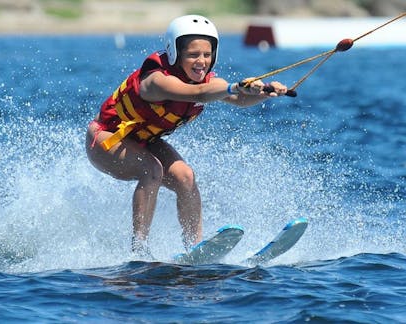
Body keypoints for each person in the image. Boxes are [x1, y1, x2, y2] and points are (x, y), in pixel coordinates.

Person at [85, 14, 288, 257]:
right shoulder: (155, 81)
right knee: (152, 170)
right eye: (193, 55)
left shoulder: (208, 81)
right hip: (104, 139)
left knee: (185, 177)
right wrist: (234, 86)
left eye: (207, 54)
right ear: (175, 54)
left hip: (142, 141)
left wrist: (265, 91)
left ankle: (195, 249)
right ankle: (138, 251)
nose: (201, 61)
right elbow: (200, 94)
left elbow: (239, 100)